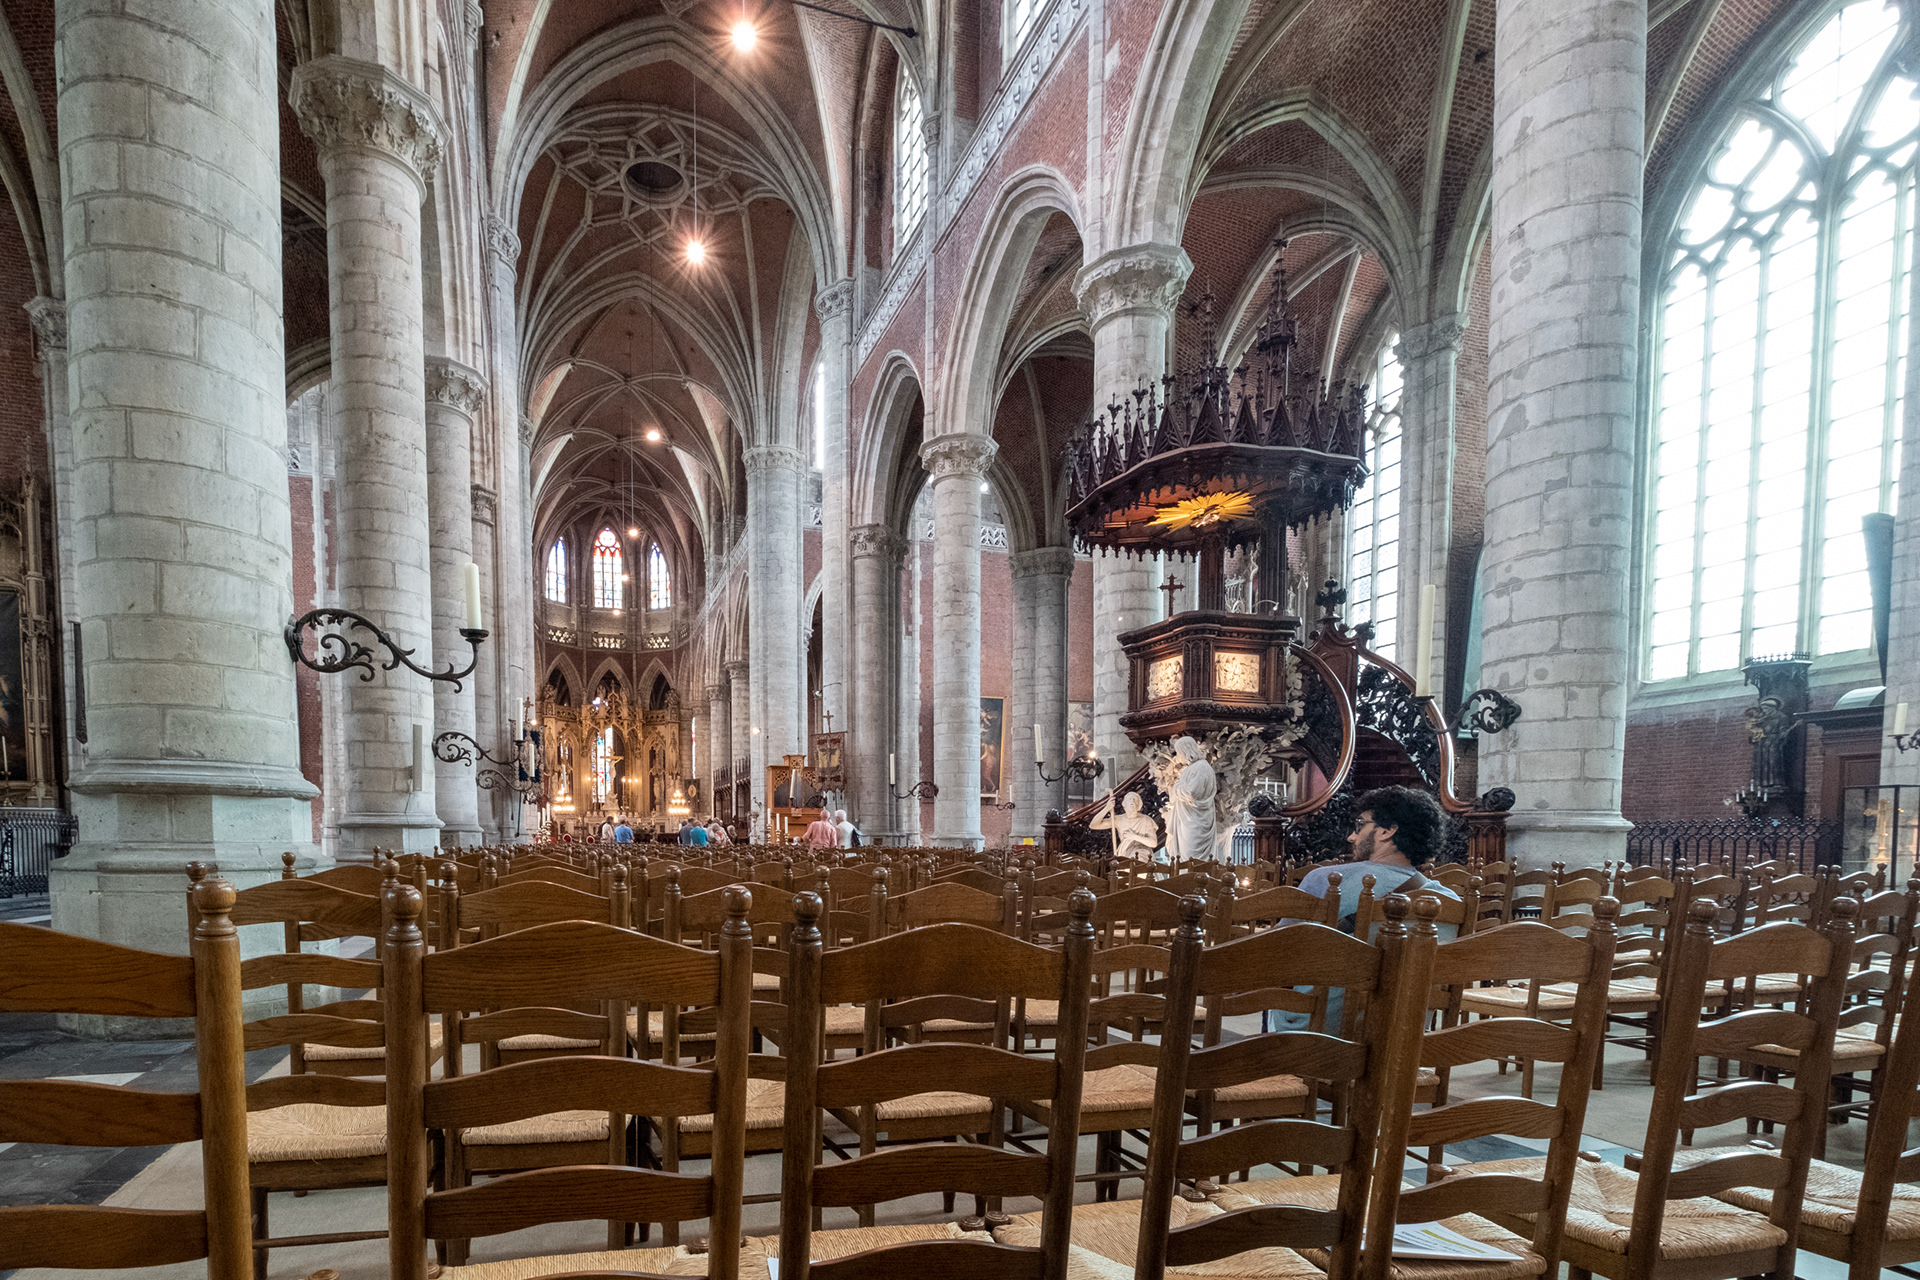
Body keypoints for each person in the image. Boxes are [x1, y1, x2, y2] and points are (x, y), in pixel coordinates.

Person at [1270, 785, 1459, 1032]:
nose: (1352, 836)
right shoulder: (1451, 902)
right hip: (1404, 1037)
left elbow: (1277, 956)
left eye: (1360, 824)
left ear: (1387, 831)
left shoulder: (1328, 880)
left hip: (1320, 1035)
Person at [1162, 736, 1218, 863]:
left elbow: (1191, 793)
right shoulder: (1193, 768)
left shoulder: (1201, 767)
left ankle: (1192, 881)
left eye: (1179, 753)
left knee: (1191, 856)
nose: (1178, 757)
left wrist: (1176, 787)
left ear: (1187, 751)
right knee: (1185, 858)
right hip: (1188, 819)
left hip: (1195, 821)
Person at [1090, 790, 1159, 862]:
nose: (1132, 801)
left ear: (1139, 805)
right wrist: (1107, 808)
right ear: (1124, 804)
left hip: (1142, 852)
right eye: (1129, 799)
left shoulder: (1146, 820)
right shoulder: (1118, 819)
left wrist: (1134, 836)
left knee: (1137, 863)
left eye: (1135, 800)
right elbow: (1093, 825)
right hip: (1125, 852)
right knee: (1125, 867)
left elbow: (1153, 843)